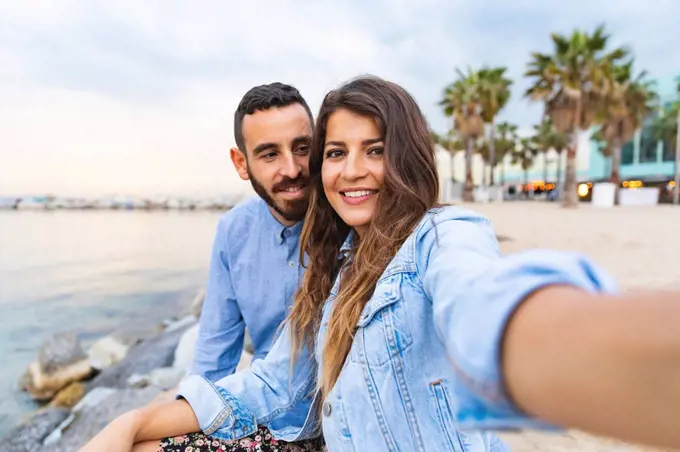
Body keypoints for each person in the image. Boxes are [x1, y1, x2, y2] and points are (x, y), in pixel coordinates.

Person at [82, 76, 680, 452]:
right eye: (337, 153)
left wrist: (559, 347)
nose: (350, 171)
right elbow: (264, 377)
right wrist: (132, 420)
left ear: (406, 156)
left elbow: (480, 304)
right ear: (243, 164)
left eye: (375, 150)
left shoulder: (443, 237)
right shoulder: (337, 267)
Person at [185, 82, 325, 451]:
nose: (292, 169)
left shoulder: (350, 221)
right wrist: (178, 419)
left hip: (343, 426)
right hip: (268, 420)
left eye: (302, 148)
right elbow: (214, 354)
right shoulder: (234, 232)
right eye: (269, 154)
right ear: (240, 163)